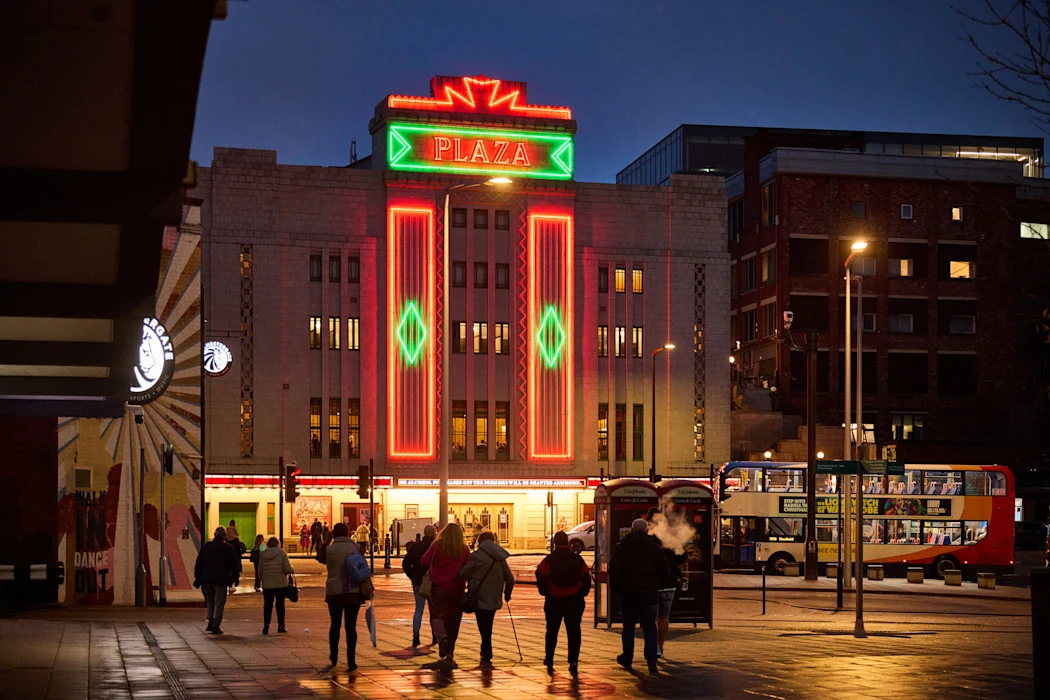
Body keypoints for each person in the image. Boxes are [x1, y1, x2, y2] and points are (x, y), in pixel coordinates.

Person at [609, 518, 674, 674]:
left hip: (629, 595)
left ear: (632, 529)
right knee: (650, 627)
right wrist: (658, 585)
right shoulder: (654, 548)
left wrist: (617, 589)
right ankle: (651, 660)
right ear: (646, 530)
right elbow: (664, 572)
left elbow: (614, 571)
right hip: (649, 595)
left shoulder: (621, 548)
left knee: (629, 627)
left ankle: (627, 657)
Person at [536, 530, 591, 676]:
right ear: (567, 542)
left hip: (554, 599)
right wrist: (582, 593)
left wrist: (545, 592)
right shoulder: (577, 560)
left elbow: (540, 576)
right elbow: (586, 577)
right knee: (574, 631)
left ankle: (549, 659)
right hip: (574, 600)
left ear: (555, 543)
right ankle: (573, 660)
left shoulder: (548, 560)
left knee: (552, 631)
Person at [459, 531, 514, 667]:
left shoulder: (477, 556)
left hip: (479, 596)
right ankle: (486, 648)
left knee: (483, 625)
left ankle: (486, 649)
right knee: (488, 623)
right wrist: (507, 594)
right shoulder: (500, 558)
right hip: (494, 597)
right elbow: (510, 579)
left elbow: (463, 573)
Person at [421, 522, 470, 667]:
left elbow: (424, 561)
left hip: (438, 587)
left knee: (437, 616)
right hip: (457, 588)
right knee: (454, 620)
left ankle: (442, 639)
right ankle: (450, 652)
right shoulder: (464, 549)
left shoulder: (437, 546)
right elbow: (468, 567)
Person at [324, 523, 367, 671]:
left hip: (334, 593)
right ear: (348, 533)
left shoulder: (329, 550)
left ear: (334, 534)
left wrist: (326, 540)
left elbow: (319, 557)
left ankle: (334, 655)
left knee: (335, 625)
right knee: (351, 626)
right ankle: (351, 659)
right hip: (352, 592)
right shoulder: (356, 548)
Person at [647, 508, 687, 660]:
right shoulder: (670, 537)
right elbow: (681, 558)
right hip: (669, 583)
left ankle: (651, 647)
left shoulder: (647, 538)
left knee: (650, 617)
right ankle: (659, 647)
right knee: (663, 617)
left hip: (652, 583)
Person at [193, 527, 241, 634]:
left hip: (207, 580)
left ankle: (210, 621)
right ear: (224, 536)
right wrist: (235, 578)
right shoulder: (228, 548)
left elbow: (199, 564)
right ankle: (216, 625)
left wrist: (198, 578)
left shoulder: (206, 547)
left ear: (215, 535)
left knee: (210, 601)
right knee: (219, 602)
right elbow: (234, 565)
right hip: (221, 580)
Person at [402, 524, 436, 647]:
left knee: (419, 609)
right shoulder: (436, 547)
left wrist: (413, 577)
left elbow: (405, 564)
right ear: (433, 534)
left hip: (418, 582)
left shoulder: (416, 547)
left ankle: (416, 636)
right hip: (433, 582)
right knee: (434, 610)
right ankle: (435, 635)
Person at [258, 537, 294, 634]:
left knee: (268, 605)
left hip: (267, 584)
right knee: (280, 605)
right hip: (280, 584)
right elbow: (287, 569)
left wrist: (261, 579)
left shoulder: (263, 554)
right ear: (278, 544)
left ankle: (266, 625)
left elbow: (260, 570)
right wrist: (291, 569)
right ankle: (281, 626)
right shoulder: (282, 553)